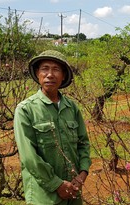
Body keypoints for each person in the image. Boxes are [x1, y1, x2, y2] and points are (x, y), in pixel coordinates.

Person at [14, 50, 92, 205]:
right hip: (44, 196)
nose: (50, 74)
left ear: (63, 75)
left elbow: (83, 143)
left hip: (74, 192)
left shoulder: (72, 108)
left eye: (56, 69)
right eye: (45, 68)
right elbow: (29, 157)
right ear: (38, 74)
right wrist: (57, 185)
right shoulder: (25, 110)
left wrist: (82, 174)